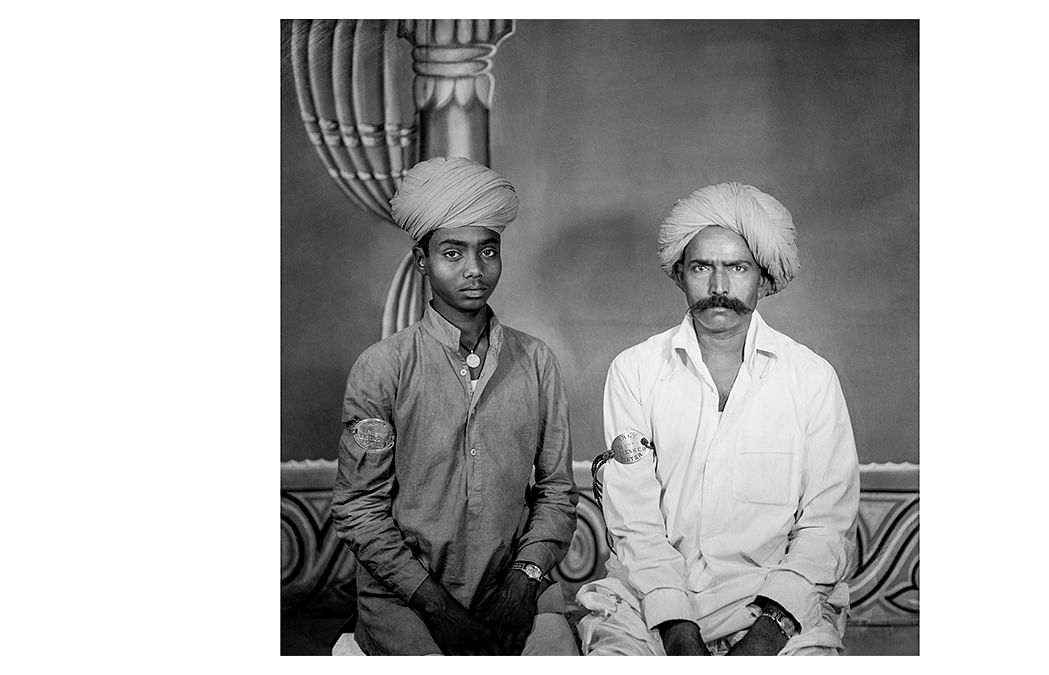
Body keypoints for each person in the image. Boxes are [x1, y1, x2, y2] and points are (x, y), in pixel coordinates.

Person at [576, 182, 861, 656]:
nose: (719, 288)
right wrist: (678, 631)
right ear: (680, 274)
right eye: (702, 267)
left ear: (762, 276)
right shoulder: (636, 371)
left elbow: (825, 528)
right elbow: (636, 523)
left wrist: (764, 639)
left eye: (737, 268)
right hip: (649, 602)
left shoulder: (812, 379)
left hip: (775, 607)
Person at [330, 156, 579, 656]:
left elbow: (556, 493)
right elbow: (359, 507)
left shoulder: (535, 361)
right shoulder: (384, 367)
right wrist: (436, 606)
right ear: (422, 259)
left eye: (488, 251)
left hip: (510, 589)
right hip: (405, 599)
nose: (474, 269)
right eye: (453, 252)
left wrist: (524, 580)